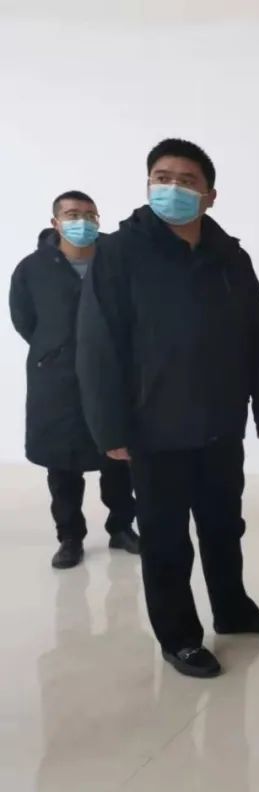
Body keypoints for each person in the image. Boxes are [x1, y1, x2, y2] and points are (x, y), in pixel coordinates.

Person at [76, 138, 259, 679]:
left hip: (220, 420)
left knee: (224, 525)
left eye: (187, 180)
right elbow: (98, 345)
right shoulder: (120, 253)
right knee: (166, 538)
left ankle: (233, 610)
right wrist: (109, 428)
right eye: (162, 177)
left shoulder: (230, 255)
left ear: (210, 195)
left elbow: (256, 333)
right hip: (154, 425)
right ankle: (179, 637)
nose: (172, 188)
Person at [9, 192, 139, 570]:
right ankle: (70, 537)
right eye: (71, 214)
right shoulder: (33, 269)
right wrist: (55, 351)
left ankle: (121, 527)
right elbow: (25, 319)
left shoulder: (115, 261)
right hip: (57, 380)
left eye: (89, 214)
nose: (81, 221)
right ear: (55, 222)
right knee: (62, 463)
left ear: (98, 219)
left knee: (118, 456)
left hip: (113, 375)